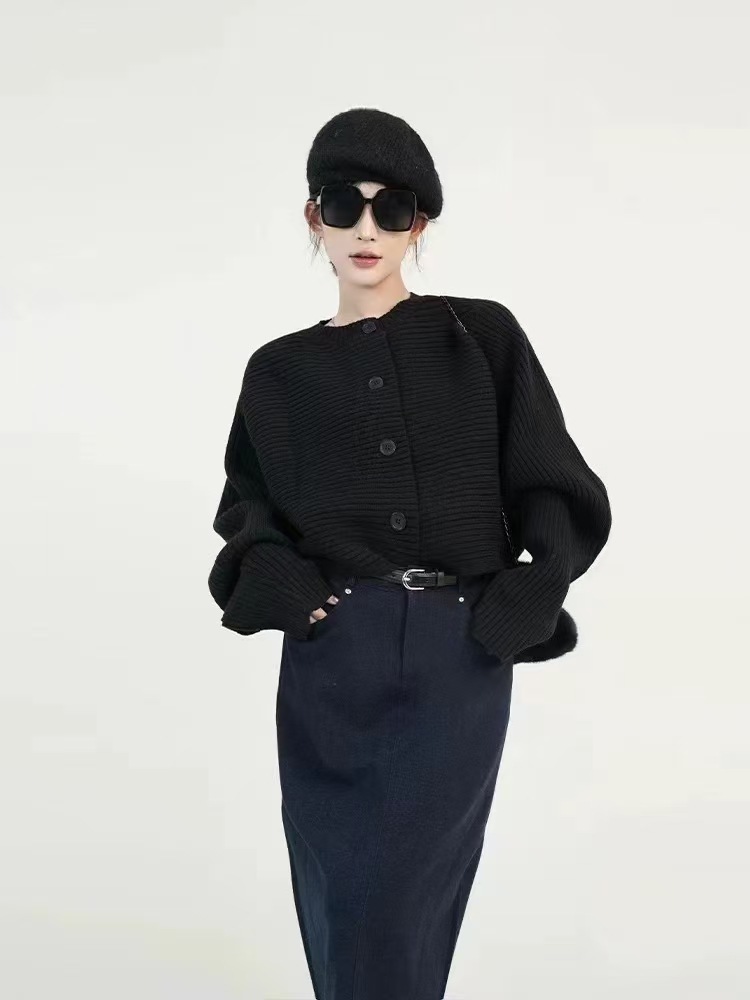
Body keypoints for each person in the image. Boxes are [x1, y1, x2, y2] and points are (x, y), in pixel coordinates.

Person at [207, 107, 612, 1000]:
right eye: (342, 205)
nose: (366, 229)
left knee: (405, 913)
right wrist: (296, 596)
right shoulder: (278, 372)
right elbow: (246, 510)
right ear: (312, 216)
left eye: (392, 209)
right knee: (341, 906)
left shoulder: (482, 338)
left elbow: (552, 481)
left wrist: (525, 596)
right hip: (332, 655)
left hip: (457, 654)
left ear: (420, 223)